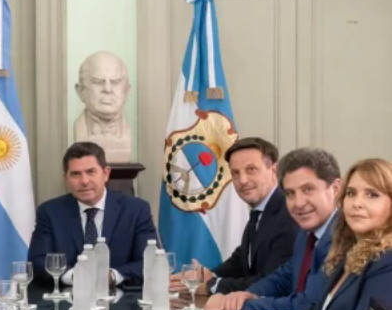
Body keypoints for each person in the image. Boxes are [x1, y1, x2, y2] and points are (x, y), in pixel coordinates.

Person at [243, 158, 392, 310]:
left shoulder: (387, 259)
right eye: (351, 193)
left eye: (372, 195)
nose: (357, 203)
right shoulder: (350, 253)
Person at [206, 148, 341, 310]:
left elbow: (308, 305)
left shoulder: (344, 238)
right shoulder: (306, 234)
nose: (298, 203)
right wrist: (248, 294)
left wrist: (236, 308)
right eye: (290, 193)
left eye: (308, 189)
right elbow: (285, 276)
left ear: (335, 188)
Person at [170, 137, 298, 295]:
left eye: (251, 169)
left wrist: (212, 285)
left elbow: (271, 282)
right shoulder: (260, 211)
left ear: (273, 171)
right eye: (235, 173)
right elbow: (242, 260)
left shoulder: (289, 213)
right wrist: (208, 276)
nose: (242, 180)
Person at [27, 142, 157, 287]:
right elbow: (38, 261)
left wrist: (111, 276)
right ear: (66, 179)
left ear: (106, 173)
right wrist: (76, 276)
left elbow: (150, 261)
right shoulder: (50, 212)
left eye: (91, 172)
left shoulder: (136, 210)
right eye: (75, 174)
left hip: (122, 296)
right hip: (69, 296)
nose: (84, 181)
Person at [73, 51, 132, 163]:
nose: (108, 89)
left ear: (126, 91)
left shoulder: (127, 132)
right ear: (81, 91)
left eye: (115, 82)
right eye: (98, 82)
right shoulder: (80, 132)